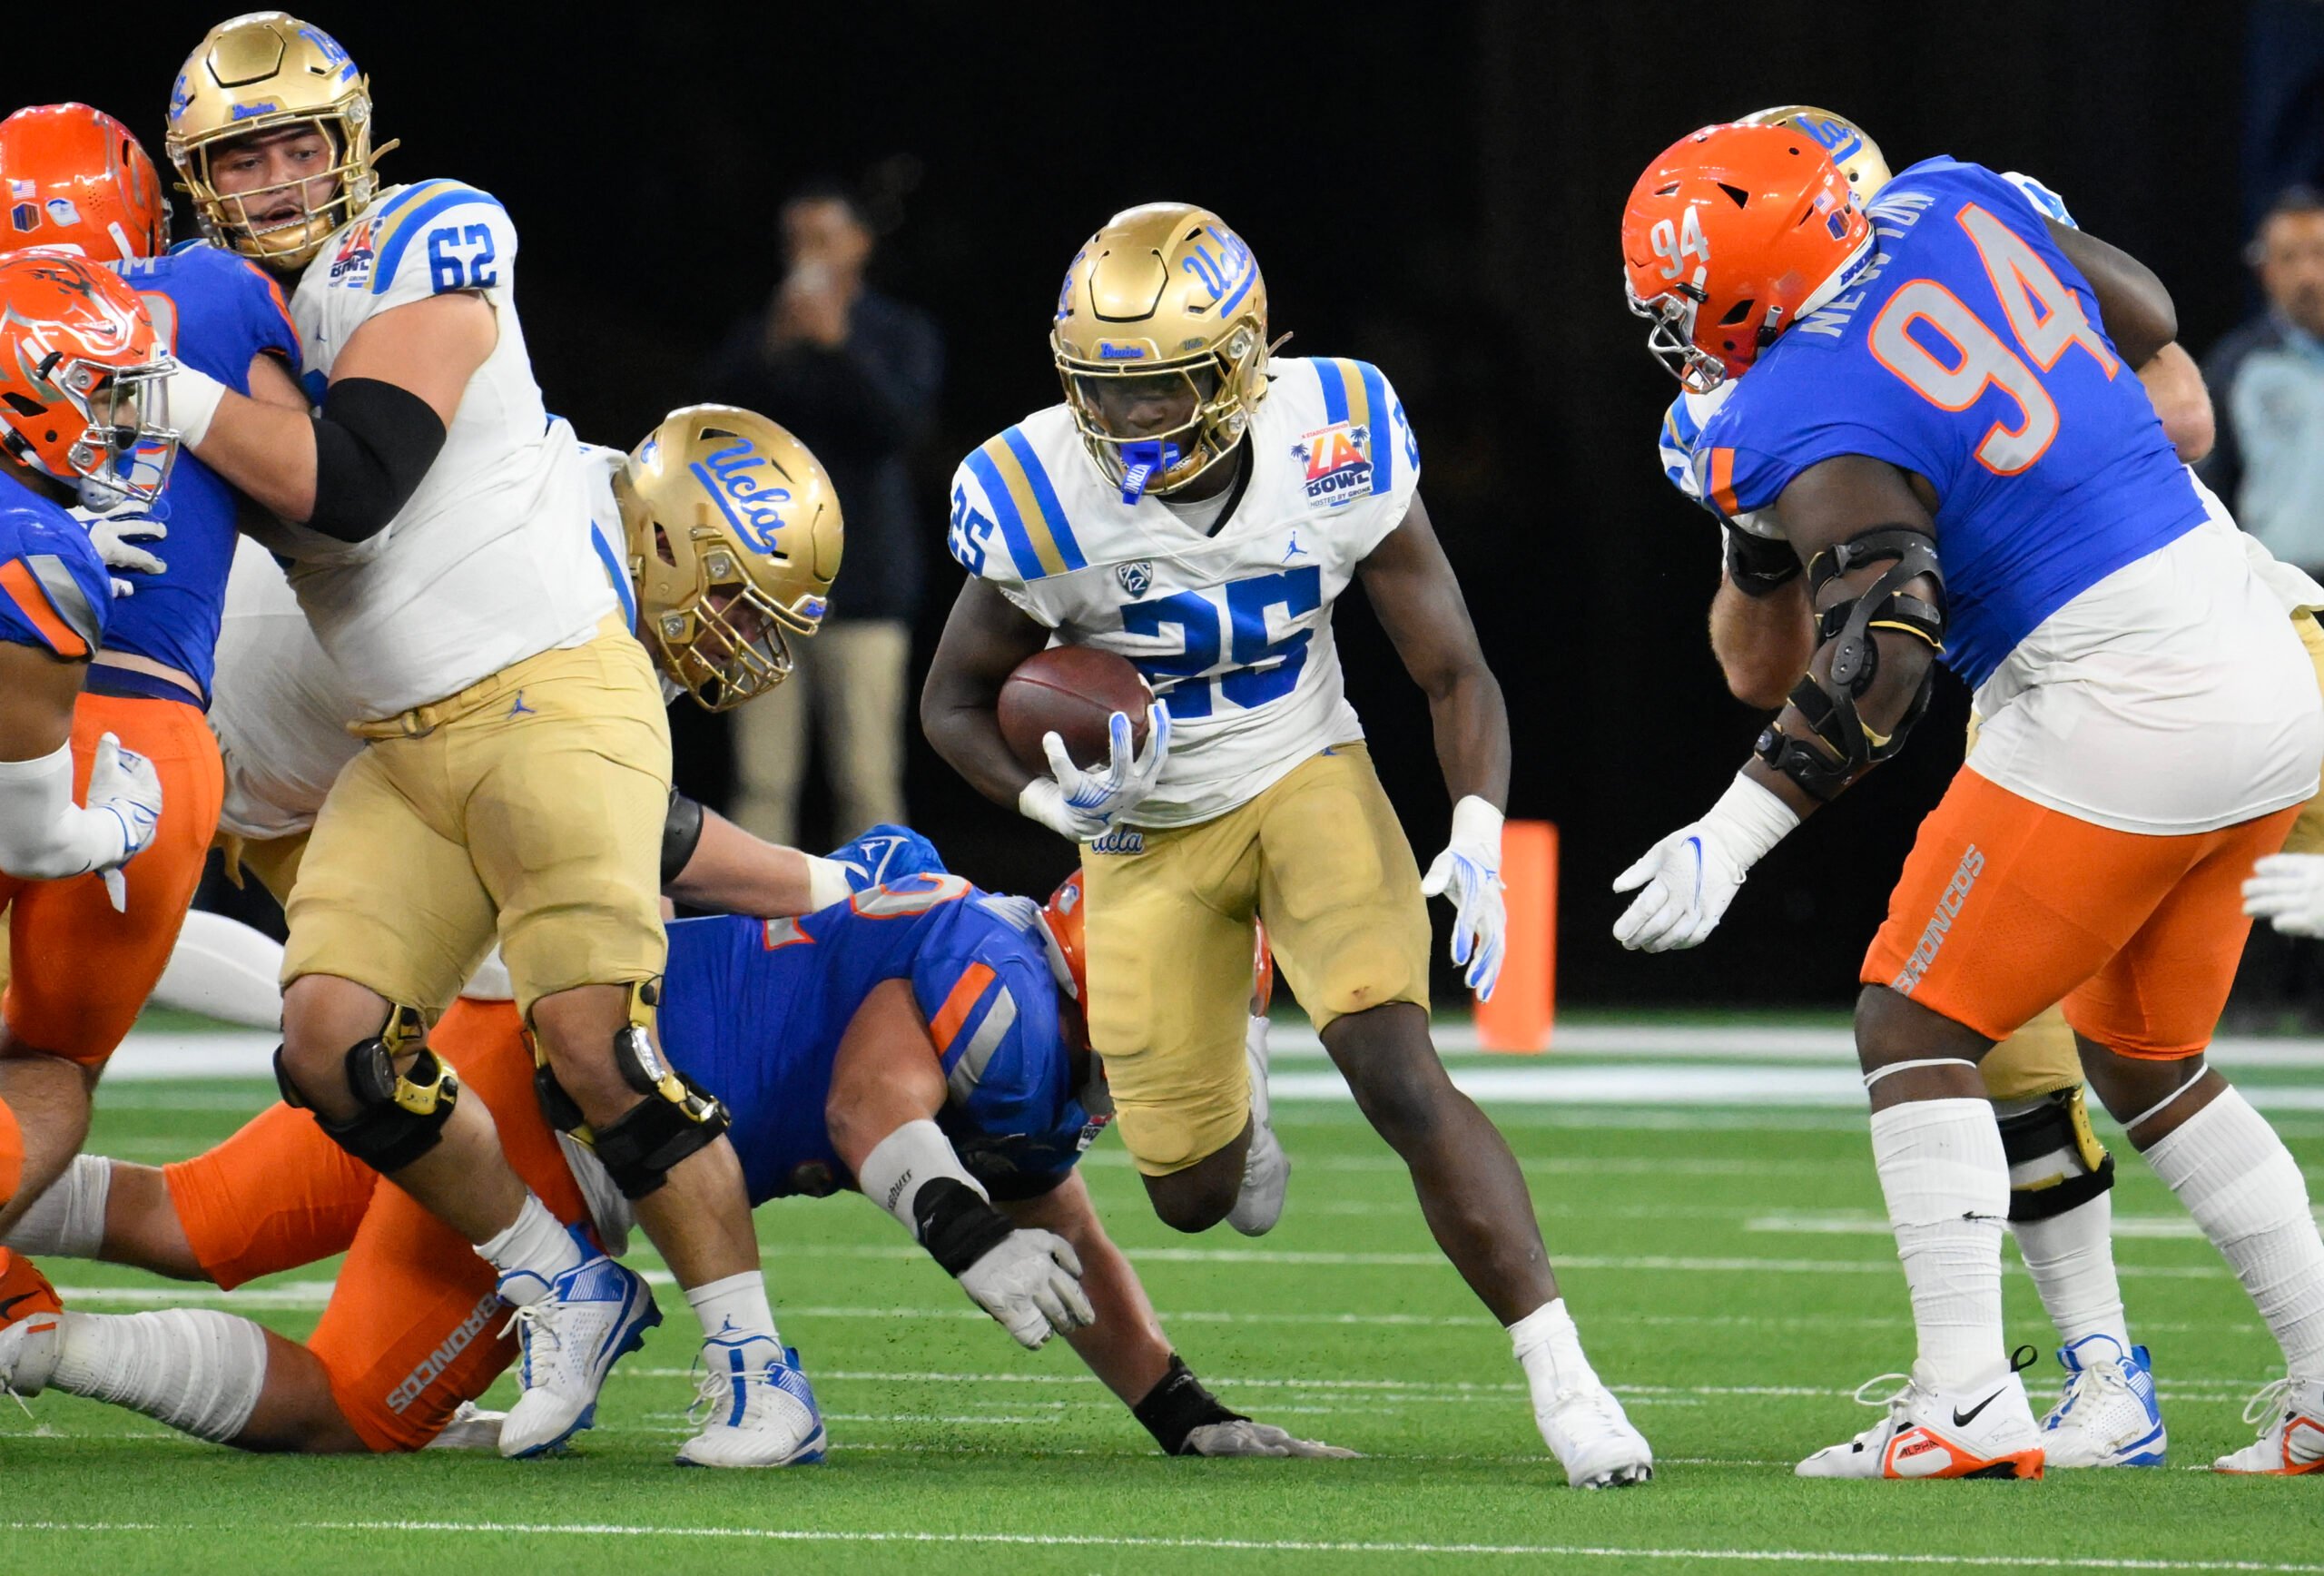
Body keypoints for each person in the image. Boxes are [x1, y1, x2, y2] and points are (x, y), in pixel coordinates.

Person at [1616, 122, 2324, 1478]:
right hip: (2259, 648)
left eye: (1685, 299)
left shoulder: (1792, 411)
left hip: (2122, 696)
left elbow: (1882, 662)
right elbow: (2153, 319)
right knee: (2146, 1053)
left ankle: (1961, 1401)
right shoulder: (1945, 198)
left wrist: (1734, 833)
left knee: (1914, 1015)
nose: (1674, 326)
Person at [921, 203, 1652, 1489]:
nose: (1133, 422)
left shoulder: (1337, 434)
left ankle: (1567, 1380)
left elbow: (1453, 669)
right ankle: (1244, 1059)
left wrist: (1477, 827)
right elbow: (950, 705)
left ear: (1246, 365)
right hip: (1144, 838)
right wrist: (1056, 810)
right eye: (1107, 390)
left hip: (1305, 771)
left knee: (1398, 1074)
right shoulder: (1039, 491)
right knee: (1197, 1196)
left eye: (1165, 391)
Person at [152, 13, 798, 1464]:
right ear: (202, 179)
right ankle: (555, 1276)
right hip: (397, 740)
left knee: (593, 1044)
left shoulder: (433, 235)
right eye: (239, 156)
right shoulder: (225, 312)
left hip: (551, 689)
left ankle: (758, 1365)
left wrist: (159, 392)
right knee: (331, 1048)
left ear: (352, 141)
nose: (272, 179)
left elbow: (357, 484)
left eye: (298, 143)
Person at [0, 833, 1351, 1466]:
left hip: (508, 1039)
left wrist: (1187, 1414)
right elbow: (871, 1107)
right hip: (564, 1128)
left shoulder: (1025, 1002)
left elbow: (1071, 1223)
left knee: (197, 1224)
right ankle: (33, 1350)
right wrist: (962, 1230)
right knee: (359, 1410)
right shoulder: (999, 981)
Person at [0, 102, 310, 1235]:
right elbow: (316, 491)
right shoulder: (215, 290)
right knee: (50, 1062)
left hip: (33, 665)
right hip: (141, 720)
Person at [0, 250, 171, 1240]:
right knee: (47, 1086)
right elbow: (36, 844)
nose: (123, 422)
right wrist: (121, 821)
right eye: (103, 392)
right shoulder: (38, 560)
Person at [700, 181, 941, 850]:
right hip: (763, 590)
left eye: (822, 239)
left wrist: (839, 345)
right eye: (795, 241)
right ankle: (755, 933)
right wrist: (776, 344)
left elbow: (903, 428)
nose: (805, 255)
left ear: (860, 244)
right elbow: (711, 430)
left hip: (866, 589)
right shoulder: (763, 333)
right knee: (760, 778)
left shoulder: (898, 331)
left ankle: (885, 920)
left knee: (866, 777)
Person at [2200, 187, 2324, 578]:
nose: (2308, 276)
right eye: (2289, 258)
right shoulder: (2234, 368)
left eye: (2320, 253)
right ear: (2265, 270)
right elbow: (2209, 489)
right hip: (2286, 597)